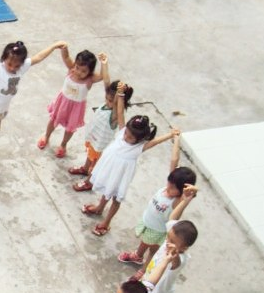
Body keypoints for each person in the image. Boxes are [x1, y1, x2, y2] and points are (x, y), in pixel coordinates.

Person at [119, 186, 199, 293]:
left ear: (183, 247)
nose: (168, 240)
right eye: (168, 237)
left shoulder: (180, 258)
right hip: (148, 281)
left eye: (172, 241)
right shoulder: (172, 237)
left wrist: (173, 253)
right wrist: (186, 200)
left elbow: (175, 262)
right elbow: (173, 217)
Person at [81, 106, 179, 236]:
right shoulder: (122, 132)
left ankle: (107, 222)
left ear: (139, 139)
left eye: (130, 137)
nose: (126, 137)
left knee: (116, 198)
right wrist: (121, 94)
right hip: (108, 169)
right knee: (106, 190)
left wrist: (171, 135)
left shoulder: (140, 147)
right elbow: (120, 112)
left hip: (121, 176)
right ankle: (100, 207)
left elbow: (155, 142)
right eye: (126, 132)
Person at [0, 40, 65, 164]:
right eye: (9, 64)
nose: (12, 68)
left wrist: (53, 45)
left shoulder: (22, 67)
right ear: (4, 58)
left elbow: (39, 57)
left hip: (2, 108)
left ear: (21, 64)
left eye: (17, 66)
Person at [117, 135, 197, 268]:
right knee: (144, 243)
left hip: (157, 231)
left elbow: (186, 198)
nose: (168, 187)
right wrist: (176, 140)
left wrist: (191, 193)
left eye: (173, 188)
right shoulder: (172, 183)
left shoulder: (177, 201)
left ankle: (144, 269)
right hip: (148, 223)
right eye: (169, 183)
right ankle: (138, 255)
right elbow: (174, 160)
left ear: (182, 191)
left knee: (153, 250)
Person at [37, 47, 109, 158]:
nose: (79, 72)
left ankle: (63, 144)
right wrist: (62, 47)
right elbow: (66, 57)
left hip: (76, 108)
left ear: (90, 72)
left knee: (70, 128)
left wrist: (104, 63)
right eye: (77, 67)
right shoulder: (71, 70)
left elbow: (103, 76)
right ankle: (46, 136)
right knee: (53, 120)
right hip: (62, 103)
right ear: (74, 64)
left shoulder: (90, 80)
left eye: (84, 71)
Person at [69, 80, 133, 191]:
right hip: (94, 139)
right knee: (90, 155)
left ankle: (89, 182)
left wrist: (120, 93)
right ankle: (85, 168)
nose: (108, 102)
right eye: (107, 98)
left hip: (100, 146)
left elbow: (119, 107)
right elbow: (107, 81)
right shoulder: (106, 106)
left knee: (95, 166)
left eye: (111, 101)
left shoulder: (114, 114)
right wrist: (104, 64)